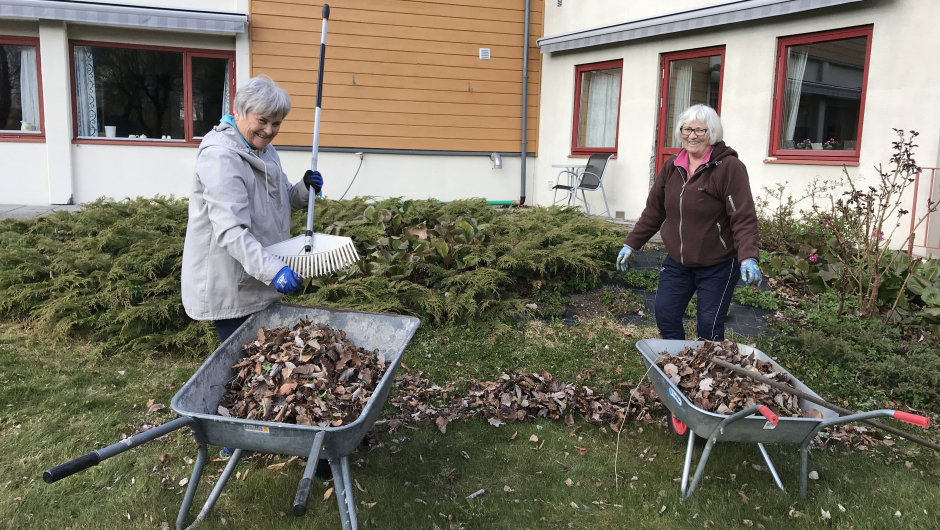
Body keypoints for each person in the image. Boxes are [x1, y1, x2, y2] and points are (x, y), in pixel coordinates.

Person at [182, 75, 324, 343]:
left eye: (276, 123)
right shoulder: (221, 157)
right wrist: (275, 271)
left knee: (264, 358)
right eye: (262, 120)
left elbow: (282, 200)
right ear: (238, 112)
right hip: (233, 284)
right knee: (246, 360)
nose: (269, 131)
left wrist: (305, 189)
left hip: (260, 278)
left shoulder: (265, 151)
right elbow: (231, 231)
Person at [616, 104, 762, 341]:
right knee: (666, 314)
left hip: (718, 263)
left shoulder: (729, 168)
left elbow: (742, 217)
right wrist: (631, 244)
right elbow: (654, 210)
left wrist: (748, 257)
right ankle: (677, 360)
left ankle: (708, 364)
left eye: (699, 130)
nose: (692, 136)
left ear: (712, 133)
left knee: (709, 326)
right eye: (687, 129)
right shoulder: (672, 165)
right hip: (678, 261)